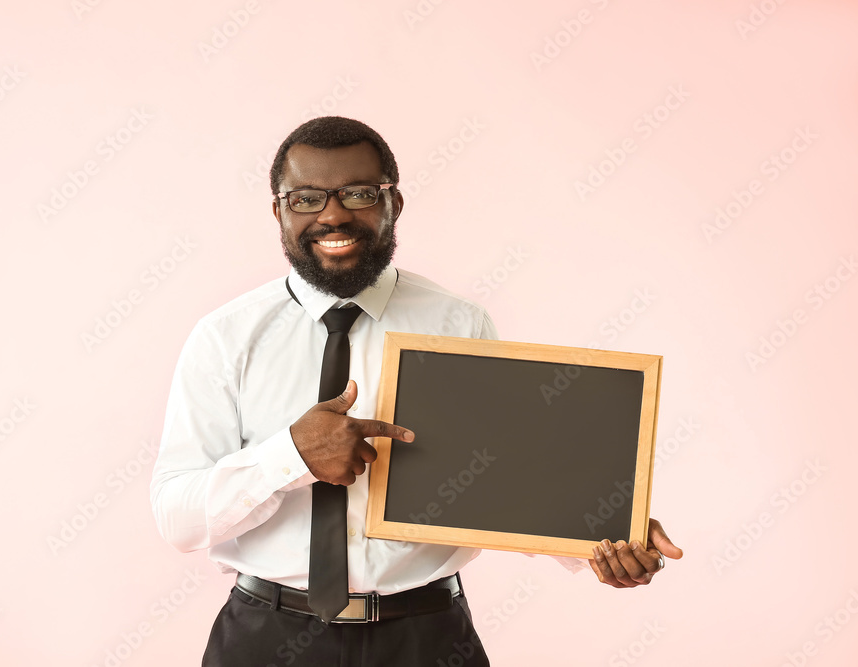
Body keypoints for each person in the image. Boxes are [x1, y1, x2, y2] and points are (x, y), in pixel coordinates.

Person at [150, 116, 683, 666]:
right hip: (264, 639)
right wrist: (292, 457)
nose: (333, 215)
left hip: (426, 640)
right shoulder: (225, 338)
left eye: (358, 193)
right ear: (279, 210)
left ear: (393, 202)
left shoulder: (458, 324)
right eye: (307, 197)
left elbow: (503, 483)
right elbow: (178, 519)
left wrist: (602, 535)